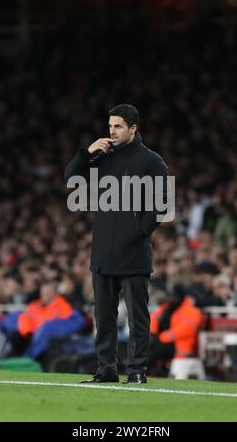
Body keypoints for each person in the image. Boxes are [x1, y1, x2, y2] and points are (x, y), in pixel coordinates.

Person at [65, 104, 169, 384]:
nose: (111, 131)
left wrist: (139, 233)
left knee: (137, 317)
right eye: (110, 125)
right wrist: (86, 153)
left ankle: (136, 371)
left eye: (118, 126)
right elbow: (71, 180)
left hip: (134, 251)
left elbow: (162, 204)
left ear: (133, 128)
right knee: (104, 316)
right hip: (103, 251)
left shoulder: (152, 161)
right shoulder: (101, 158)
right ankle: (106, 370)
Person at [148, 285, 204, 376]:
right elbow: (153, 319)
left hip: (179, 346)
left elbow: (186, 329)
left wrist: (161, 337)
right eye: (170, 297)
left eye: (174, 297)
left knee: (153, 352)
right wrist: (152, 334)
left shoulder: (191, 311)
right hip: (161, 342)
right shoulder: (166, 307)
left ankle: (144, 372)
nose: (172, 299)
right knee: (145, 346)